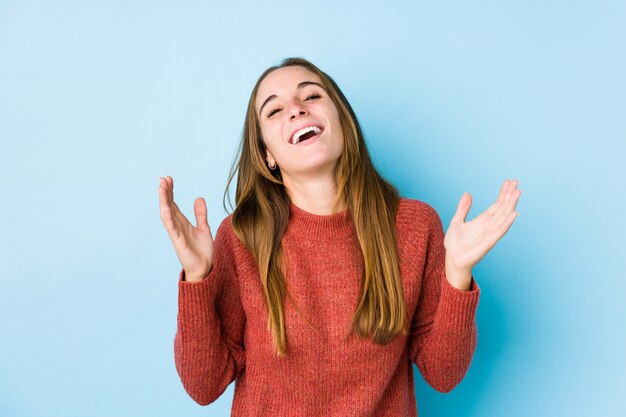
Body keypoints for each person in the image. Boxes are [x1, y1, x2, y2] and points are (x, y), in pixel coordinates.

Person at [157, 57, 521, 416]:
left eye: (311, 96)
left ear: (342, 121)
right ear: (267, 153)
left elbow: (443, 375)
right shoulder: (241, 238)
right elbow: (204, 387)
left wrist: (457, 274)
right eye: (275, 110)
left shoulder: (414, 226)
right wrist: (197, 278)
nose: (297, 110)